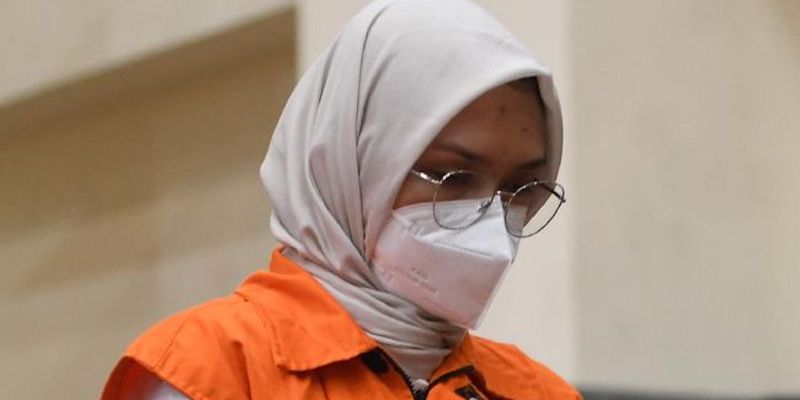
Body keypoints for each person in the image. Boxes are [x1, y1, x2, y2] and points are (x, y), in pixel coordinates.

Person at [101, 0, 577, 398]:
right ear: (351, 165)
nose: (491, 225)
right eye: (451, 177)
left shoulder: (536, 392)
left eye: (518, 190)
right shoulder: (203, 372)